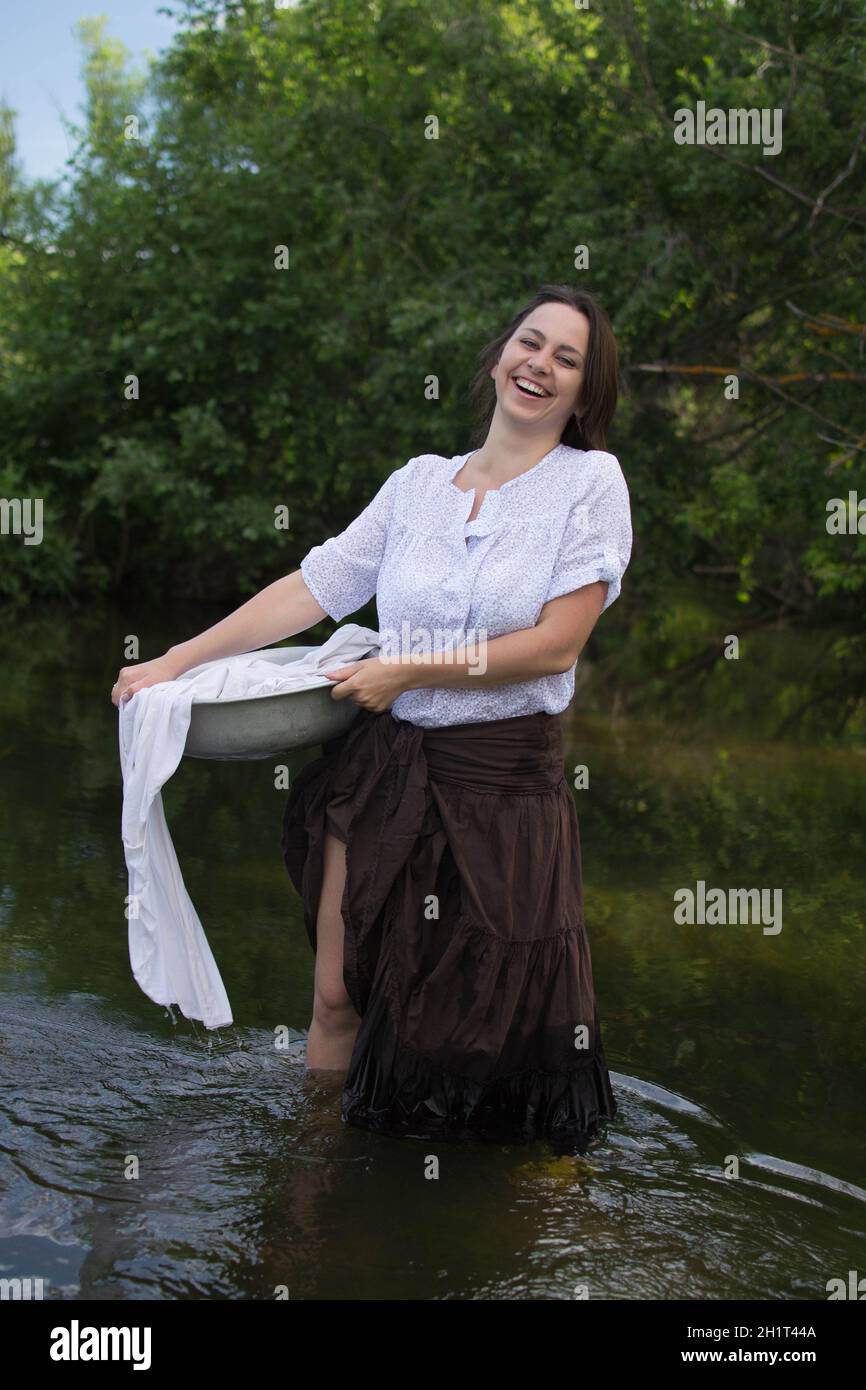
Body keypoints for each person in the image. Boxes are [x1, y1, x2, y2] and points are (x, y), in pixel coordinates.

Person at [111, 283, 633, 1155]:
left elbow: (554, 646)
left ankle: (503, 1217)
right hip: (385, 773)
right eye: (529, 343)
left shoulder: (591, 484)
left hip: (502, 789)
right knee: (336, 995)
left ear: (585, 390)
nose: (539, 365)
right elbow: (312, 588)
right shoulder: (418, 485)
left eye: (567, 358)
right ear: (499, 354)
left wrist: (409, 670)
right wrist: (175, 661)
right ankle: (320, 1199)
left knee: (481, 1020)